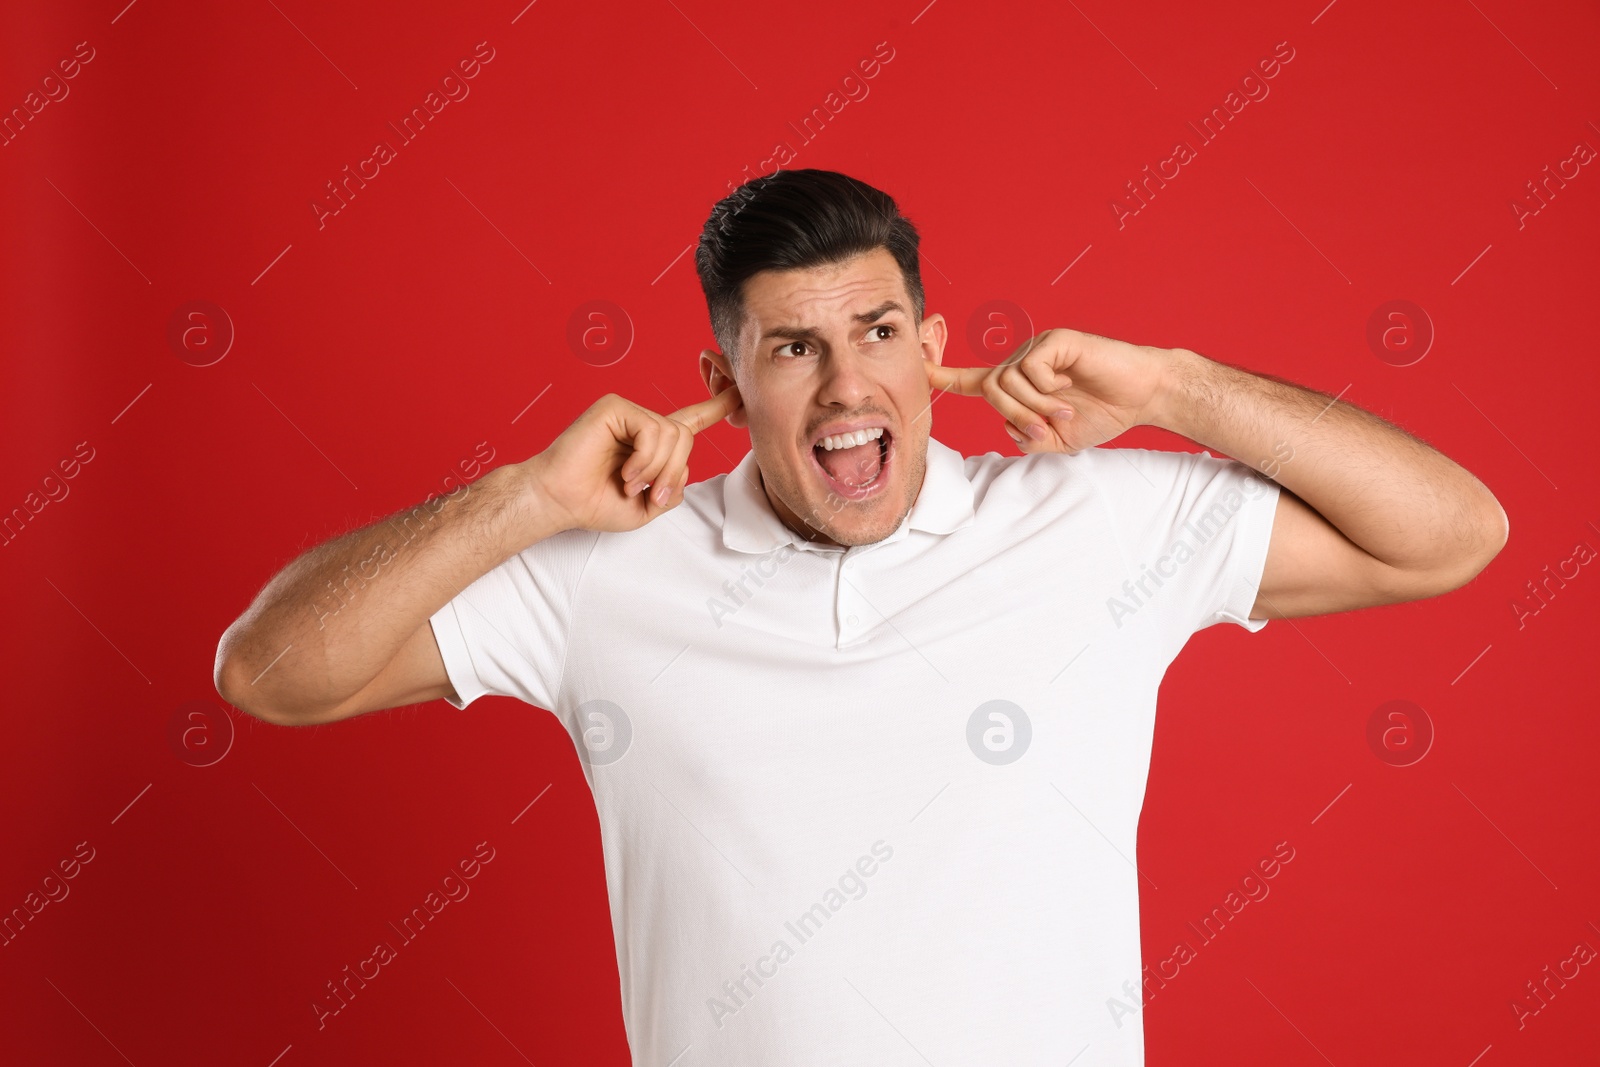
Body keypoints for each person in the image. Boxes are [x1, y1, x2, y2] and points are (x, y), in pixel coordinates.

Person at [215, 169, 1507, 1065]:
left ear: (933, 345)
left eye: (879, 331)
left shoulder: (1088, 524)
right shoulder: (611, 568)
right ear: (722, 381)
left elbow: (1453, 533)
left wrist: (1174, 383)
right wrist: (520, 498)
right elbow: (268, 672)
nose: (849, 383)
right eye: (793, 348)